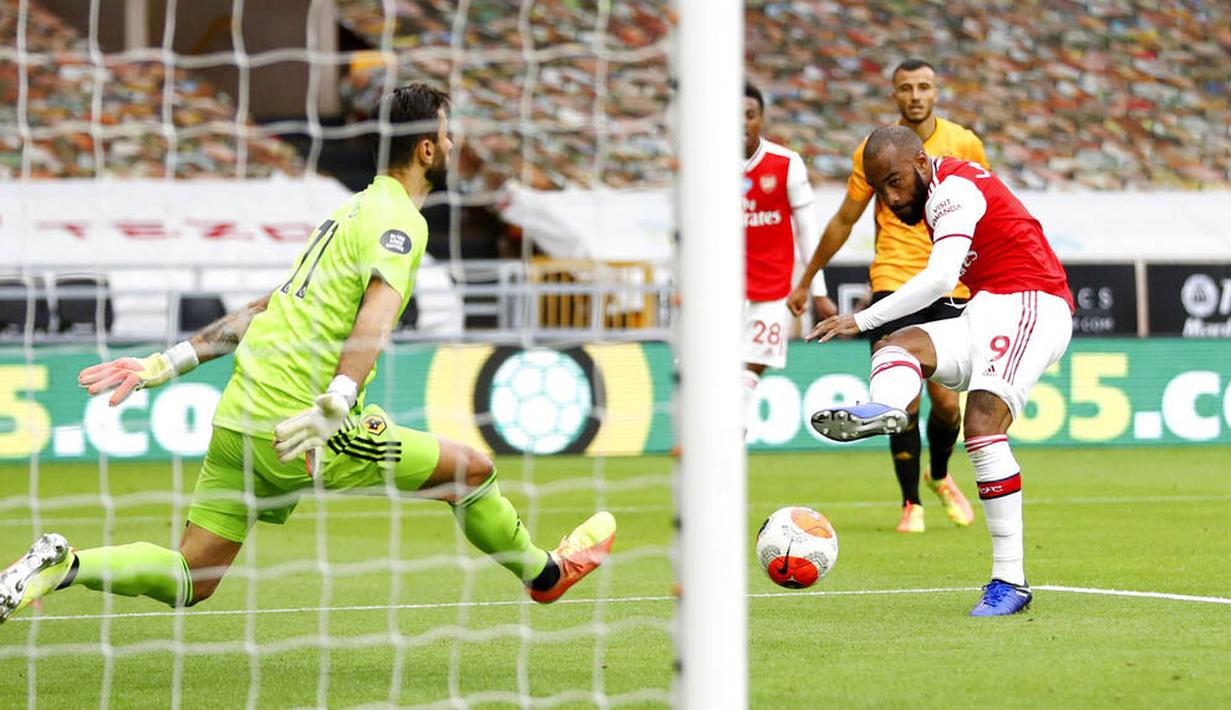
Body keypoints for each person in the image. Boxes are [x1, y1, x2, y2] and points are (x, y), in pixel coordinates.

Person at [0, 84, 615, 624]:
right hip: (302, 421)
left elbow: (269, 306)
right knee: (472, 471)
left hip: (240, 412)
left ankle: (64, 565)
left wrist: (168, 362)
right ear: (427, 148)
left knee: (193, 577)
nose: (452, 147)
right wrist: (338, 401)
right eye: (448, 136)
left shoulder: (345, 212)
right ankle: (546, 577)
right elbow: (374, 316)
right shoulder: (400, 218)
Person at [807, 125, 1074, 616]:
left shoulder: (952, 190)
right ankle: (889, 409)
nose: (889, 198)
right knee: (896, 348)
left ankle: (1010, 580)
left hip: (1033, 304)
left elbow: (940, 278)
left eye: (894, 182)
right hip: (988, 308)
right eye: (879, 190)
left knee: (980, 426)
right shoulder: (934, 195)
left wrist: (860, 317)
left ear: (922, 164)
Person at [791, 58, 983, 533]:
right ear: (894, 95)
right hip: (894, 277)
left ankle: (939, 476)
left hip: (950, 278)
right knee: (906, 400)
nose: (915, 95)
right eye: (906, 88)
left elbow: (983, 207)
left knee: (945, 405)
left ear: (936, 92)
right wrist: (808, 279)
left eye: (923, 87)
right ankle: (910, 503)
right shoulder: (875, 151)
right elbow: (843, 220)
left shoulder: (964, 143)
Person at [742, 81, 836, 436]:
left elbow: (807, 232)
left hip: (771, 291)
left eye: (750, 115)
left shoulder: (786, 163)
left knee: (747, 375)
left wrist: (817, 289)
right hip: (720, 293)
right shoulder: (710, 167)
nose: (742, 122)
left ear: (761, 118)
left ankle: (731, 435)